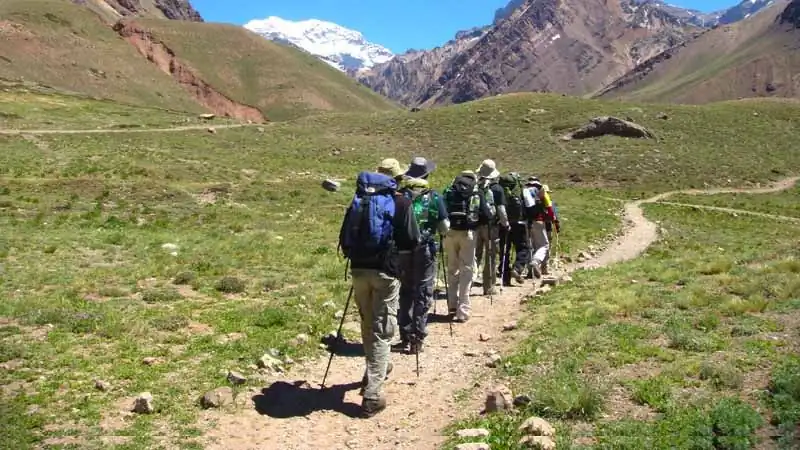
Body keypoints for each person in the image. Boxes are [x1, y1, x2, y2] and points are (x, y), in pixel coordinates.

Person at [339, 158, 420, 418]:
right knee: (384, 330)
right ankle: (372, 395)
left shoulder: (360, 200)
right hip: (386, 272)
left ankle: (374, 369)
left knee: (367, 323)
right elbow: (412, 239)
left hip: (358, 269)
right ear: (397, 179)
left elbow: (344, 238)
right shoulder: (402, 202)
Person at [395, 157, 449, 354]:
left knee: (405, 290)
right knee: (423, 290)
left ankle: (405, 332)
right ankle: (418, 336)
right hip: (425, 249)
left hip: (402, 250)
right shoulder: (434, 196)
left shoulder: (400, 195)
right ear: (427, 175)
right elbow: (444, 227)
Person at [442, 170, 481, 322]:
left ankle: (452, 304)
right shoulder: (475, 191)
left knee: (452, 268)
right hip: (468, 233)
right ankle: (463, 309)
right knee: (467, 269)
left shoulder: (449, 190)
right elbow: (484, 212)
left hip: (450, 232)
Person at [474, 159, 508, 296]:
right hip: (491, 227)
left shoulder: (476, 186)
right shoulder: (497, 189)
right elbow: (501, 210)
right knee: (490, 256)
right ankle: (489, 286)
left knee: (475, 255)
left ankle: (468, 282)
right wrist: (506, 224)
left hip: (475, 225)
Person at [497, 172, 531, 285]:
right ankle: (517, 268)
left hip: (503, 224)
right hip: (519, 223)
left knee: (504, 250)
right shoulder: (521, 190)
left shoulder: (499, 191)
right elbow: (530, 205)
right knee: (523, 248)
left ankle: (505, 277)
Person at [524, 177, 556, 279]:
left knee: (531, 246)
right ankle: (536, 262)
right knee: (544, 245)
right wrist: (552, 219)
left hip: (526, 222)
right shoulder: (541, 192)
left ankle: (530, 271)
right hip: (538, 221)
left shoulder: (524, 192)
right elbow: (549, 209)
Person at [541, 184, 561, 275]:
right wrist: (557, 227)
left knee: (536, 247)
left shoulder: (536, 202)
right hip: (547, 227)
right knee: (546, 246)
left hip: (536, 226)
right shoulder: (550, 203)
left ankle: (534, 267)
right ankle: (544, 267)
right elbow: (555, 217)